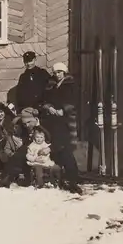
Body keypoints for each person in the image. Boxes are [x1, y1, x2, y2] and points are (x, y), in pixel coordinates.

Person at [39, 62, 82, 194]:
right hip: (53, 120)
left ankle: (73, 179)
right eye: (55, 72)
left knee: (64, 148)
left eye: (59, 72)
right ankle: (63, 177)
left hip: (66, 120)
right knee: (58, 148)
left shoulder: (70, 85)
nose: (57, 74)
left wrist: (63, 110)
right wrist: (49, 108)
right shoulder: (51, 86)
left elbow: (75, 100)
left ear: (64, 72)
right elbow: (45, 101)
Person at [0, 107, 42, 188]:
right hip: (27, 154)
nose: (26, 125)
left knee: (21, 151)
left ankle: (7, 178)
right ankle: (8, 178)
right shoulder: (24, 131)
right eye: (24, 124)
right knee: (18, 154)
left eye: (28, 122)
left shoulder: (40, 128)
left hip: (39, 152)